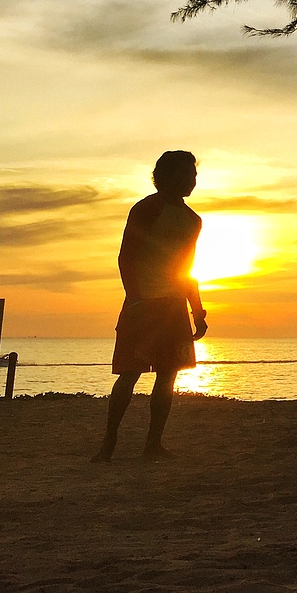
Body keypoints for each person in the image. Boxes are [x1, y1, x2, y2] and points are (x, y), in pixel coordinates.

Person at [92, 151, 208, 462]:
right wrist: (136, 299)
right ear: (164, 176)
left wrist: (197, 310)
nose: (190, 181)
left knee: (168, 375)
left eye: (193, 176)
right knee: (130, 373)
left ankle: (153, 444)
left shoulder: (192, 220)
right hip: (142, 304)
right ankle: (108, 443)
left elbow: (187, 269)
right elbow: (126, 257)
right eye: (183, 175)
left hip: (174, 307)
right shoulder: (145, 209)